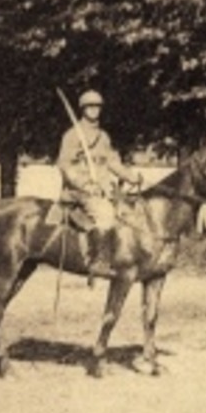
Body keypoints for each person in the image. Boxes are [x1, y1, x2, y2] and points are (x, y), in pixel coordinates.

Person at [56, 89, 143, 277]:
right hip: (78, 191)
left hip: (103, 191)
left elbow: (112, 162)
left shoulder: (103, 137)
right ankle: (99, 261)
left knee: (130, 214)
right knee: (105, 213)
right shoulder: (72, 135)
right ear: (83, 109)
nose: (94, 110)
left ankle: (124, 258)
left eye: (97, 107)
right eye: (90, 107)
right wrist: (85, 184)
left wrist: (131, 177)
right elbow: (64, 165)